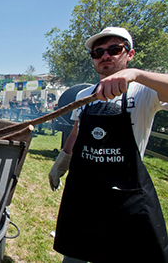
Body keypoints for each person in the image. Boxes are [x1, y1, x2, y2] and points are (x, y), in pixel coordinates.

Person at [48, 27, 168, 262]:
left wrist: (136, 75)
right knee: (75, 257)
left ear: (129, 53)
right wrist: (61, 162)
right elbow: (77, 131)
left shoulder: (144, 90)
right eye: (98, 52)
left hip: (123, 196)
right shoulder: (85, 94)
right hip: (84, 195)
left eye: (114, 49)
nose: (105, 55)